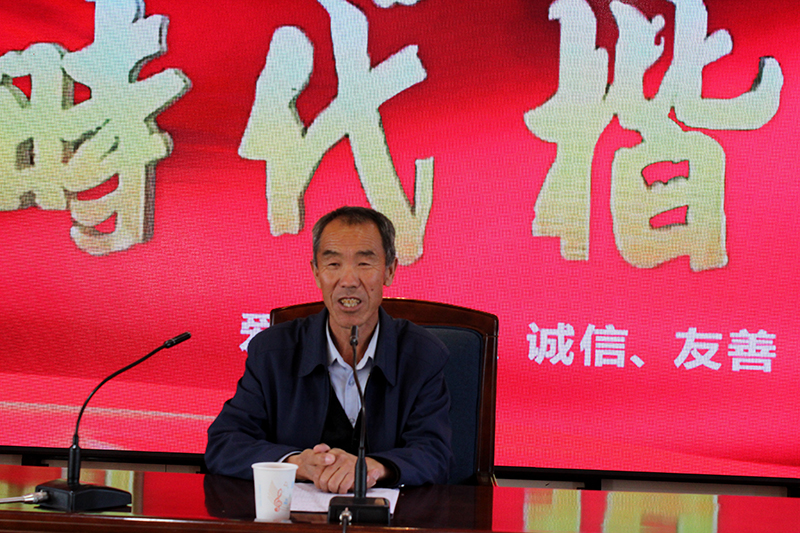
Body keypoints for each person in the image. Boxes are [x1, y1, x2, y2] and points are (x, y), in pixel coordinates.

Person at [205, 206, 453, 493]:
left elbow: (436, 455)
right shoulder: (272, 352)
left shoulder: (423, 356)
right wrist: (297, 464)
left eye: (364, 263)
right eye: (333, 264)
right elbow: (225, 444)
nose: (348, 281)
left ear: (389, 271)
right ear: (316, 272)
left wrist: (373, 468)